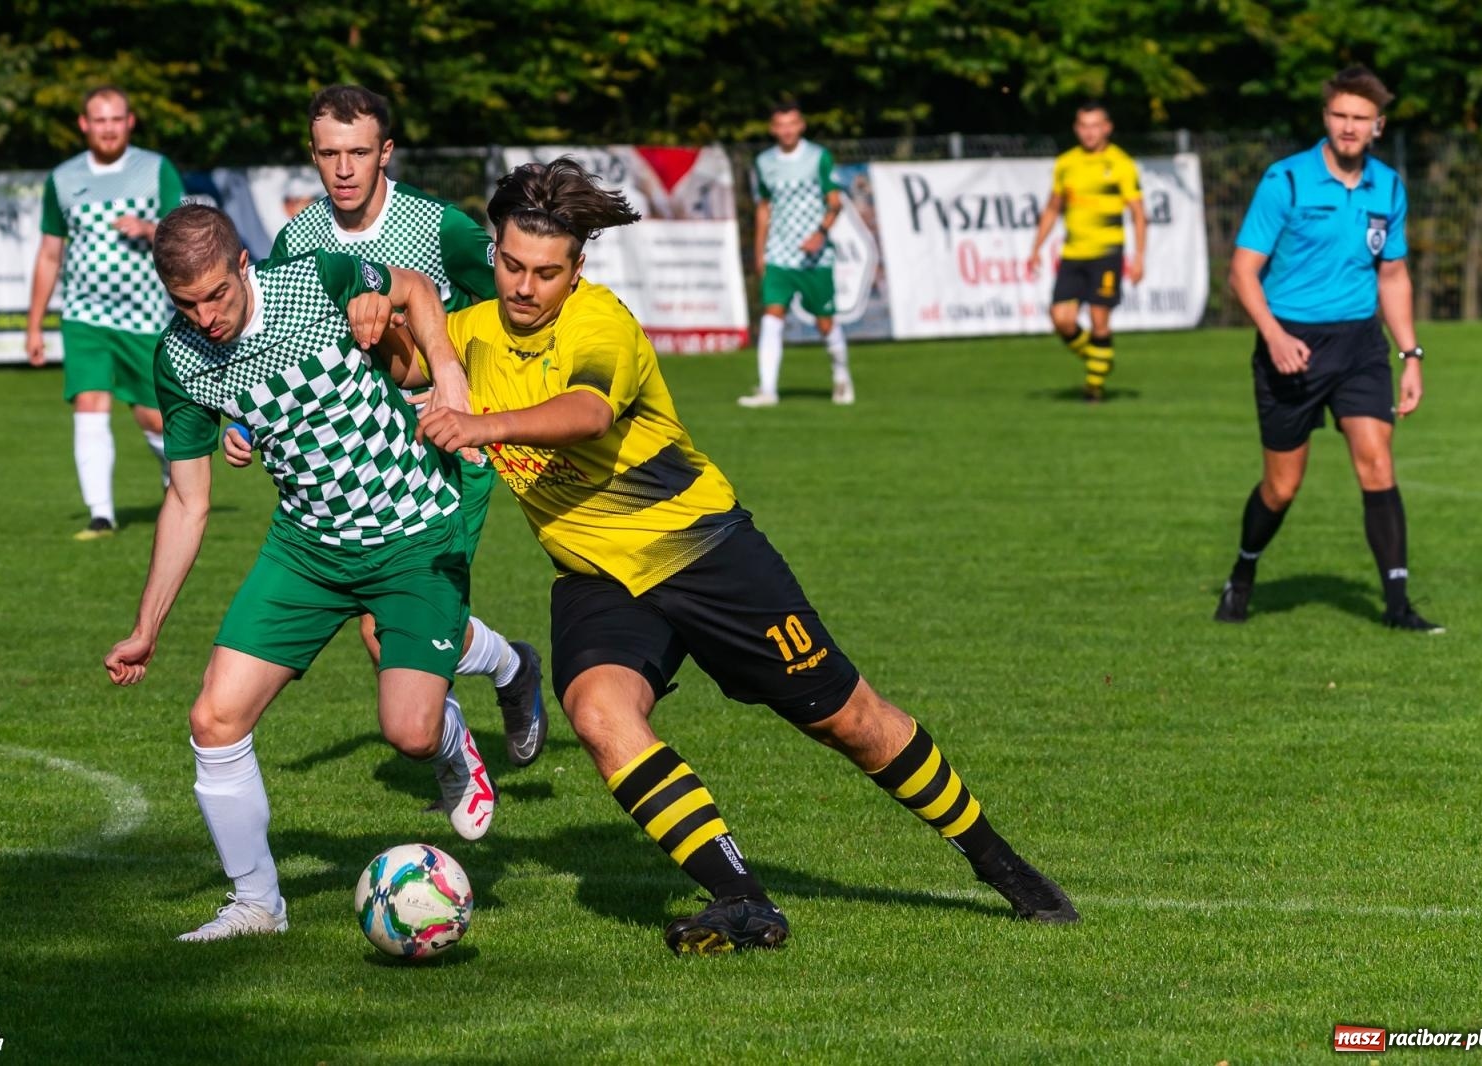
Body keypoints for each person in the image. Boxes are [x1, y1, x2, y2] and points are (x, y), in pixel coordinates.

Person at [415, 159, 1077, 956]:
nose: (525, 288)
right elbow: (394, 349)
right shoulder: (470, 334)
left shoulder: (600, 323)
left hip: (706, 555)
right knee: (598, 716)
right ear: (493, 253)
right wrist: (375, 312)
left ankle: (996, 861)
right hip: (599, 579)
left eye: (546, 273)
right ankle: (742, 899)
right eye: (512, 265)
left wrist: (482, 427)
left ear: (578, 268)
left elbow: (587, 413)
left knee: (851, 722)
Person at [104, 204, 495, 942]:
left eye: (217, 294)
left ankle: (453, 743)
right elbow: (187, 503)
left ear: (244, 265)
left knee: (408, 733)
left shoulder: (315, 278)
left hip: (413, 528)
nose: (206, 316)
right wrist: (145, 627)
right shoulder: (181, 359)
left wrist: (447, 375)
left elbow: (414, 287)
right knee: (213, 720)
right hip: (308, 548)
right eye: (185, 303)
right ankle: (257, 904)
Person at [221, 84, 547, 767]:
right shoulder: (299, 240)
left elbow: (509, 311)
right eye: (329, 153)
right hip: (354, 463)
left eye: (359, 153)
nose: (343, 169)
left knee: (384, 627)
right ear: (313, 155)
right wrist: (249, 427)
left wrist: (460, 385)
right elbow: (276, 351)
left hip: (444, 448)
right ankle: (509, 669)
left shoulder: (439, 228)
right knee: (387, 632)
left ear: (385, 153)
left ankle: (461, 750)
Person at [1213, 66, 1440, 633]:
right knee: (1282, 487)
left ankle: (1397, 607)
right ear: (1326, 118)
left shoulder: (1387, 187)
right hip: (1290, 343)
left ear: (1378, 126)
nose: (1348, 126)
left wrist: (1410, 356)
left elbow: (1392, 276)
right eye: (1339, 115)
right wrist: (1274, 335)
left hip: (1360, 344)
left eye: (1360, 118)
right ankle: (1243, 573)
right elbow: (1243, 272)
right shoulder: (1285, 181)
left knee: (1377, 464)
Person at [26, 86, 183, 538]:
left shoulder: (155, 170)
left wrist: (150, 228)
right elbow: (50, 254)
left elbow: (185, 232)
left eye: (116, 119)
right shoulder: (63, 178)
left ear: (130, 122)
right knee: (89, 402)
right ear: (84, 124)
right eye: (100, 120)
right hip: (84, 315)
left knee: (153, 416)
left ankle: (176, 482)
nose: (108, 128)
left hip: (145, 315)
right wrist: (34, 324)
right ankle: (101, 514)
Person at [1026, 102, 1147, 403]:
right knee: (1060, 318)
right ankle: (1099, 357)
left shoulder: (1120, 163)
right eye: (1084, 126)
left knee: (1098, 317)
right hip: (1073, 253)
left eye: (1095, 125)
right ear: (1076, 129)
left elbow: (1138, 213)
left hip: (1107, 252)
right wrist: (1036, 247)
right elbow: (1054, 208)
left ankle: (1094, 388)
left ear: (1107, 128)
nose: (1089, 132)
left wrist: (1140, 256)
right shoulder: (1066, 163)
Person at [738, 101, 853, 408]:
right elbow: (764, 208)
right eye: (781, 124)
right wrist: (760, 252)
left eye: (792, 123)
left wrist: (820, 234)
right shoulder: (764, 162)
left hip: (816, 256)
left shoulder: (818, 157)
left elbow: (835, 201)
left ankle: (841, 376)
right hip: (779, 253)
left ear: (801, 125)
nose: (787, 130)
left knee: (825, 323)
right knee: (772, 316)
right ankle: (767, 390)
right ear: (773, 129)